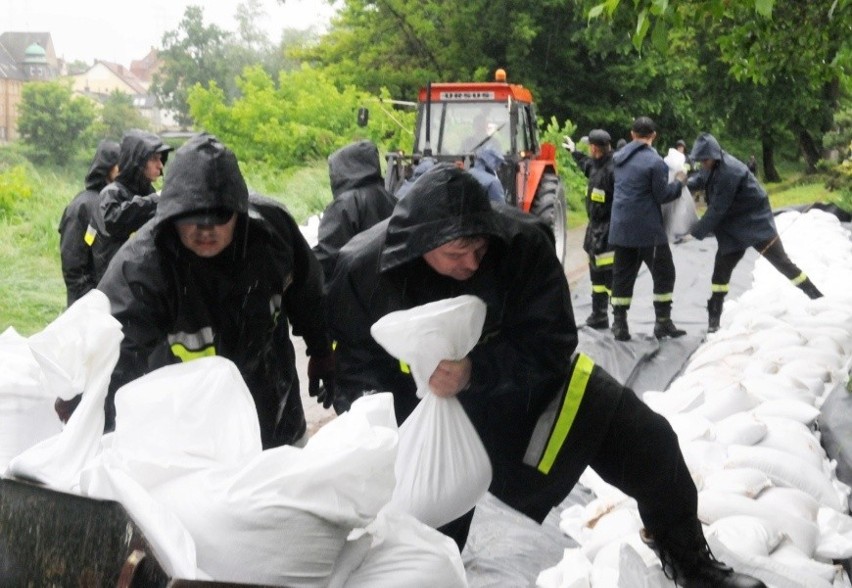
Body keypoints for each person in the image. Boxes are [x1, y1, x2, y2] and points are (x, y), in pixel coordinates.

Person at [326, 163, 765, 588]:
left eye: (479, 251)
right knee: (427, 531)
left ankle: (693, 565)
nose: (471, 266)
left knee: (652, 444)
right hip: (425, 416)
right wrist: (385, 438)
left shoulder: (521, 243)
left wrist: (476, 371)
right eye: (455, 255)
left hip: (523, 392)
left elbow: (552, 340)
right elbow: (353, 365)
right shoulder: (363, 269)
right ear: (418, 246)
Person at [84, 133, 335, 447]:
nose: (205, 231)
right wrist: (95, 424)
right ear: (171, 215)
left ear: (238, 212)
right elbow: (115, 353)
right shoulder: (144, 266)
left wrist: (323, 351)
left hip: (273, 416)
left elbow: (309, 294)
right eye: (191, 219)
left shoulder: (272, 233)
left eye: (217, 218)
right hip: (188, 431)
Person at [688, 133, 823, 332]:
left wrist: (694, 232)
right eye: (700, 161)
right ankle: (714, 319)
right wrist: (684, 184)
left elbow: (717, 209)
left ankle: (816, 296)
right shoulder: (711, 165)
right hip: (733, 228)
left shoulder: (730, 172)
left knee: (782, 262)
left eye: (704, 160)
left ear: (715, 156)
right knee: (720, 272)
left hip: (755, 223)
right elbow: (701, 177)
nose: (702, 164)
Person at [609, 116, 688, 341]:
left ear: (632, 134)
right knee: (664, 273)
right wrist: (680, 182)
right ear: (653, 136)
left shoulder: (618, 158)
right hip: (647, 230)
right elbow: (663, 195)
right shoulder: (655, 163)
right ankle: (662, 323)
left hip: (621, 227)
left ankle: (619, 325)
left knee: (622, 276)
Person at [91, 129, 173, 283]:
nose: (160, 165)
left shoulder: (149, 193)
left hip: (144, 284)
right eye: (154, 159)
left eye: (161, 159)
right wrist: (156, 199)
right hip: (116, 287)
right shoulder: (111, 193)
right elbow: (114, 221)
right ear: (138, 161)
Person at [313, 140, 397, 282]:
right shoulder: (392, 199)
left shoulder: (345, 204)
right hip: (389, 284)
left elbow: (329, 254)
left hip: (355, 286)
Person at [563, 129, 615, 329]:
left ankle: (618, 319)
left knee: (610, 278)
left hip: (609, 231)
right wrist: (574, 151)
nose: (588, 150)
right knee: (596, 277)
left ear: (595, 147)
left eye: (589, 147)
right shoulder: (595, 165)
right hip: (594, 230)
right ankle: (599, 315)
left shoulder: (613, 170)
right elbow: (585, 163)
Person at [57, 140, 119, 306]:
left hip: (112, 300)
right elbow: (73, 263)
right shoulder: (83, 206)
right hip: (88, 304)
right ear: (107, 168)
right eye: (119, 166)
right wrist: (90, 299)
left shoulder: (118, 204)